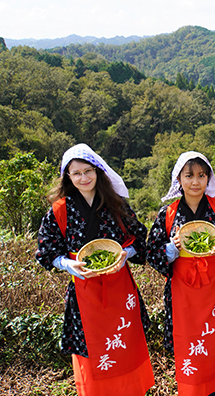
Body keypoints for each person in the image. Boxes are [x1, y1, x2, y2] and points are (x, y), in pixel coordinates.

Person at [35, 144, 154, 396]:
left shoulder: (115, 204)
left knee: (125, 346)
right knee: (92, 353)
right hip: (84, 293)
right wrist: (68, 265)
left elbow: (142, 240)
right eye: (75, 173)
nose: (83, 178)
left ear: (98, 171)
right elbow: (46, 252)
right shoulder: (59, 210)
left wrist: (126, 254)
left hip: (120, 290)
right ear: (67, 176)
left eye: (88, 171)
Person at [147, 152, 215, 395]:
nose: (195, 182)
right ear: (178, 179)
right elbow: (152, 253)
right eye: (189, 175)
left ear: (208, 178)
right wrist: (173, 248)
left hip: (214, 288)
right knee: (188, 341)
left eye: (201, 175)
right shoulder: (167, 214)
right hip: (183, 290)